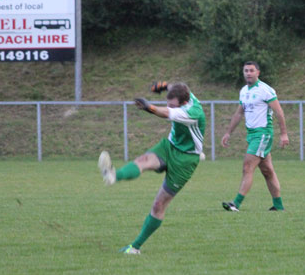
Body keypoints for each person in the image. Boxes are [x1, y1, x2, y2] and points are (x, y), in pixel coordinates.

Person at [98, 82, 206, 254]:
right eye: (168, 102)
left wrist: (149, 107)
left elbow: (164, 113)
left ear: (183, 103)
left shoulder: (192, 112)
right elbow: (174, 87)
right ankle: (113, 175)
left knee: (158, 205)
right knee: (143, 161)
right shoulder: (187, 95)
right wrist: (164, 86)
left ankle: (135, 247)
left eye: (172, 104)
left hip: (185, 161)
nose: (169, 106)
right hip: (169, 147)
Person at [221, 61, 289, 212]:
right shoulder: (244, 90)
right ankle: (278, 206)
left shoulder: (265, 90)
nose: (248, 73)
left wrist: (283, 133)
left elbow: (279, 112)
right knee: (267, 171)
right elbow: (239, 113)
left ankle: (236, 204)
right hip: (251, 135)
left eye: (251, 70)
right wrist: (228, 133)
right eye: (246, 70)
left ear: (258, 72)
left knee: (247, 166)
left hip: (263, 134)